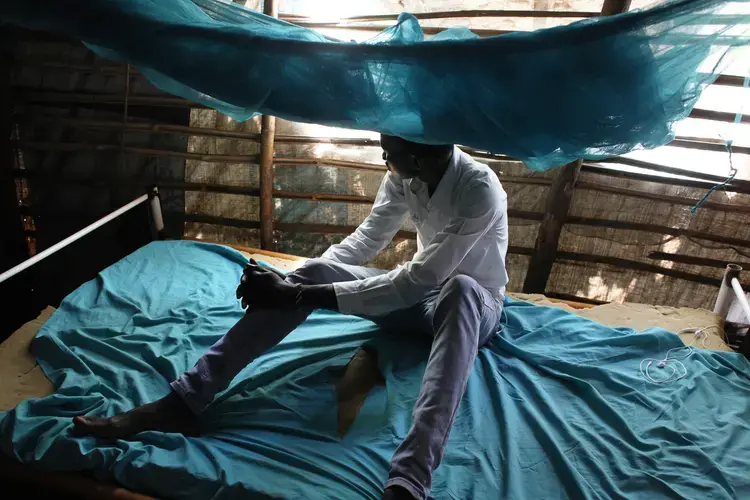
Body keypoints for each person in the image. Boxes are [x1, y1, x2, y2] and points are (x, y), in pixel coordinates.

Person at [74, 134, 509, 500]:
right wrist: (293, 282)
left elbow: (417, 280)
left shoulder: (479, 188)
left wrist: (299, 293)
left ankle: (411, 476)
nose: (382, 156)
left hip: (471, 308)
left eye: (387, 149)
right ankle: (183, 401)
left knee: (461, 289)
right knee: (319, 271)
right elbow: (364, 242)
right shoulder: (407, 177)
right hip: (419, 299)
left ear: (417, 155)